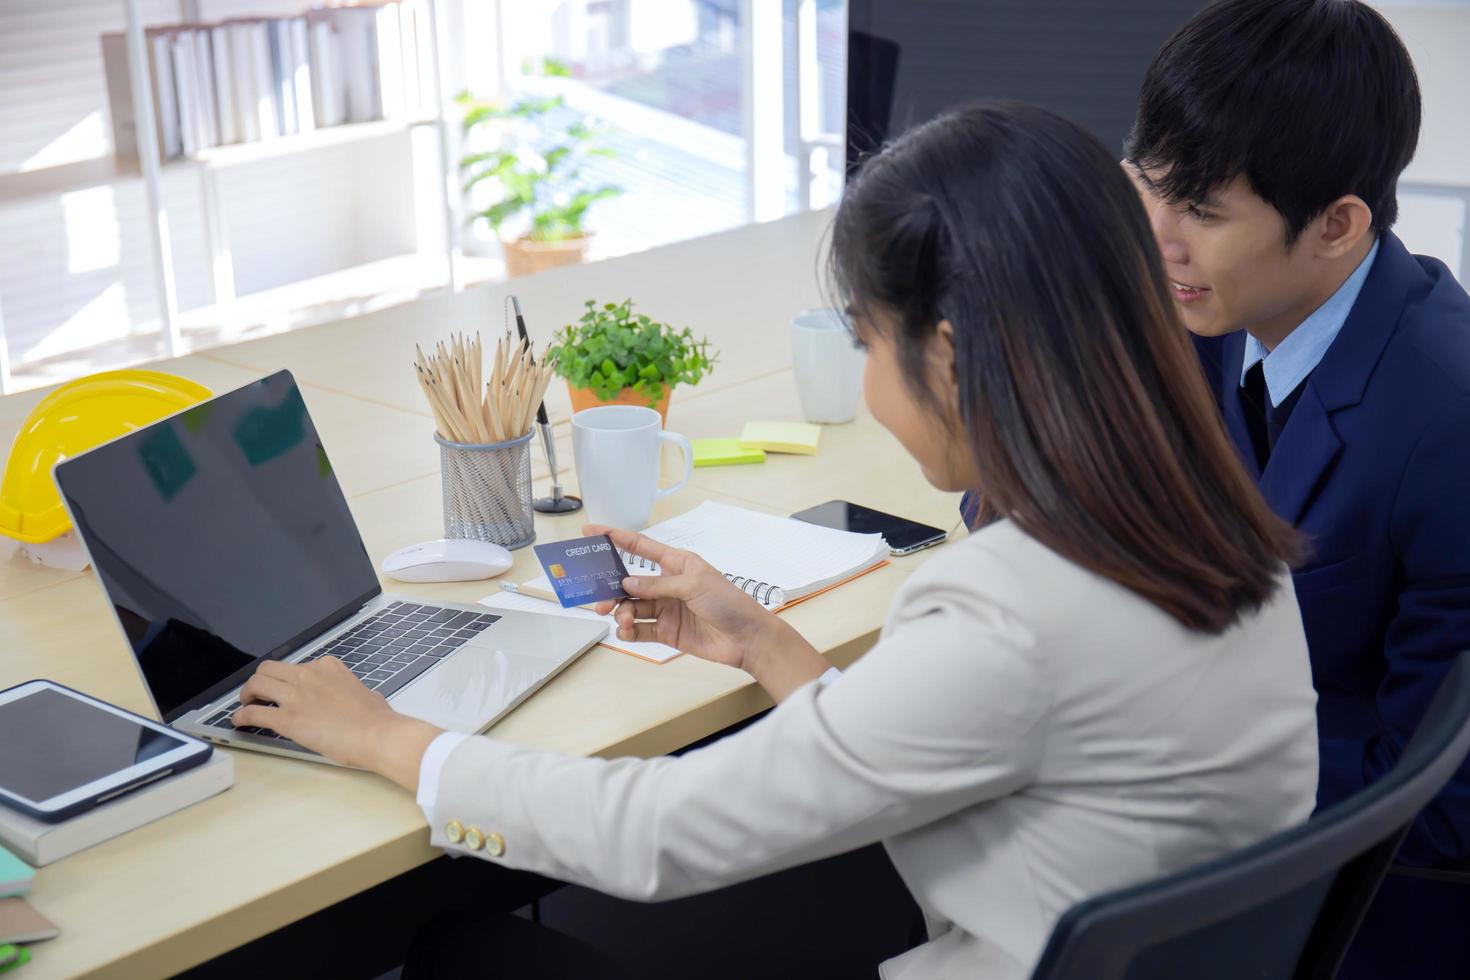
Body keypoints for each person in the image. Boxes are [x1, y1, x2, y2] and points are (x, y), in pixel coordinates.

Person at [233, 102, 1318, 979]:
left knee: (466, 947)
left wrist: (385, 736)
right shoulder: (1214, 524)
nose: (867, 385)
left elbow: (650, 832)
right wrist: (759, 640)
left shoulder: (1010, 603)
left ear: (948, 354)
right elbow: (927, 737)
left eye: (867, 343)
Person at [1121, 1, 1470, 975]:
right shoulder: (1204, 298)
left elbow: (1437, 798)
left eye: (1201, 208)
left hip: (1347, 912)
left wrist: (1168, 737)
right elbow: (1063, 477)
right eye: (1150, 185)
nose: (1159, 234)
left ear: (1338, 223)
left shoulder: (1446, 419)